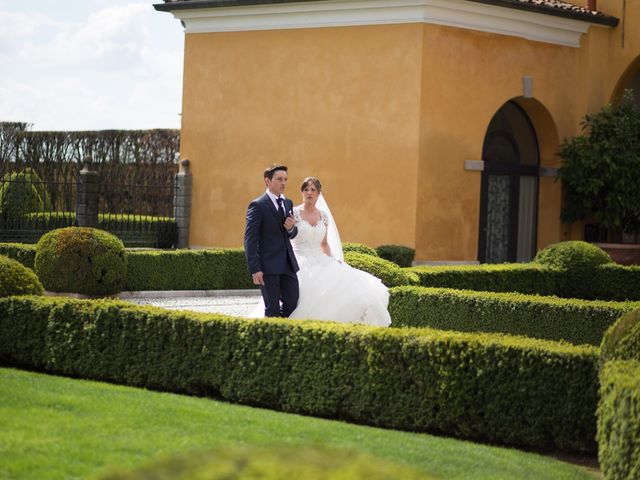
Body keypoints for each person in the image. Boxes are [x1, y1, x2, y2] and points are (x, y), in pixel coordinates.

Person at [287, 177, 391, 327]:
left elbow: (324, 244)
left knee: (350, 287)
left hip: (319, 259)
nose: (309, 193)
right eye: (306, 189)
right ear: (301, 192)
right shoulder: (293, 213)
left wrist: (333, 259)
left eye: (312, 190)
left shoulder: (323, 216)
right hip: (299, 259)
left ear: (318, 193)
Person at [244, 164, 299, 317]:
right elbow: (250, 239)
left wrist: (290, 229)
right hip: (268, 267)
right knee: (272, 310)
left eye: (286, 179)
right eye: (279, 179)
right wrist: (255, 269)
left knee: (293, 304)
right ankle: (272, 338)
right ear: (267, 181)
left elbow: (292, 234)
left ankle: (280, 333)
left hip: (288, 265)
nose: (284, 183)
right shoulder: (257, 205)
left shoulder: (288, 203)